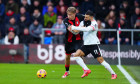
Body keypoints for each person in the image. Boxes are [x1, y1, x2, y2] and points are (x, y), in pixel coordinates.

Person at [68, 10, 117, 79]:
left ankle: (113, 74)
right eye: (85, 16)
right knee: (76, 55)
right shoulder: (82, 22)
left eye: (87, 17)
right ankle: (86, 70)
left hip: (93, 44)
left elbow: (87, 29)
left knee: (101, 60)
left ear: (91, 17)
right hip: (86, 45)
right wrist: (71, 29)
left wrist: (74, 27)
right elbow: (76, 32)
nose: (85, 18)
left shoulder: (94, 23)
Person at [62, 7, 91, 78]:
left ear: (75, 14)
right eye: (68, 14)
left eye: (71, 15)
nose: (69, 16)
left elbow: (89, 18)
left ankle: (85, 69)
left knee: (78, 54)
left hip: (78, 40)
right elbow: (74, 32)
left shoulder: (80, 16)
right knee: (67, 57)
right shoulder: (65, 21)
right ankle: (67, 71)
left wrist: (87, 24)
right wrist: (82, 28)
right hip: (69, 41)